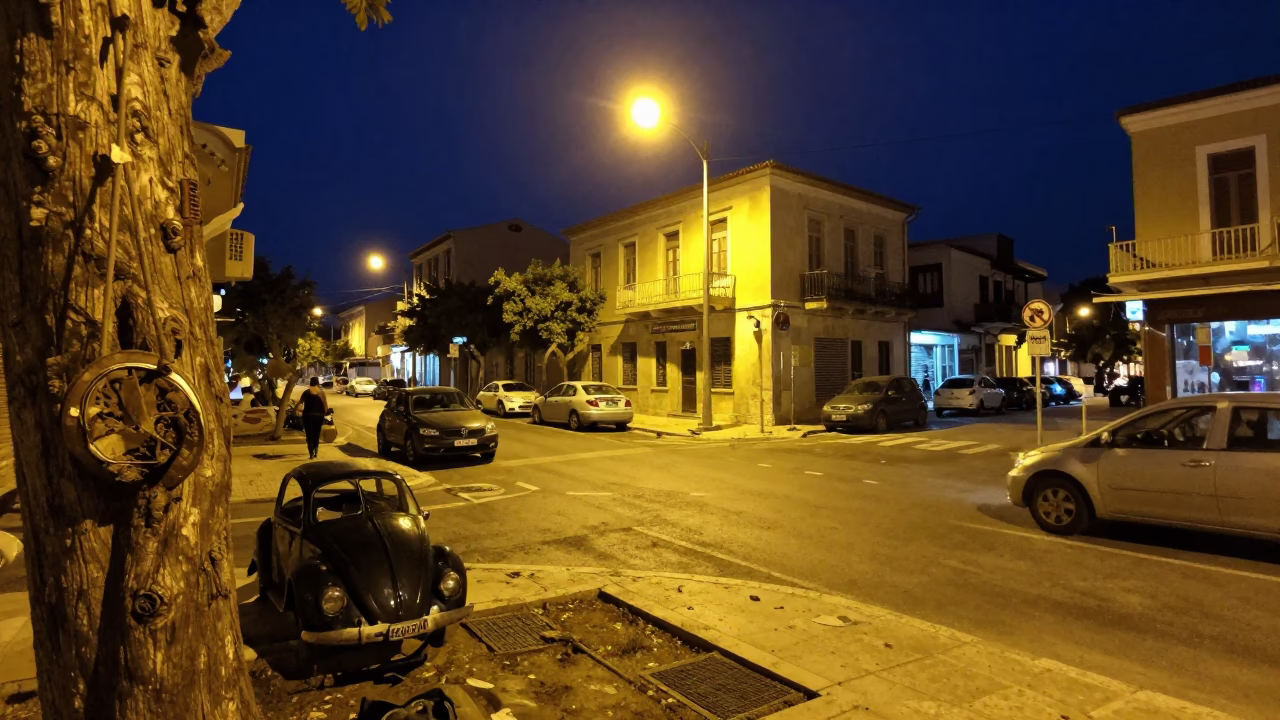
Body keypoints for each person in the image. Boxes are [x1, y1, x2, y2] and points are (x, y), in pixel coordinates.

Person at [295, 377, 330, 459]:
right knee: (316, 434)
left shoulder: (306, 392)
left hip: (308, 415)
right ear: (317, 383)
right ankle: (316, 451)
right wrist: (326, 413)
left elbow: (300, 403)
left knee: (309, 434)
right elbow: (325, 406)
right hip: (319, 416)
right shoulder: (321, 393)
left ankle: (311, 453)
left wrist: (295, 410)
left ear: (310, 383)